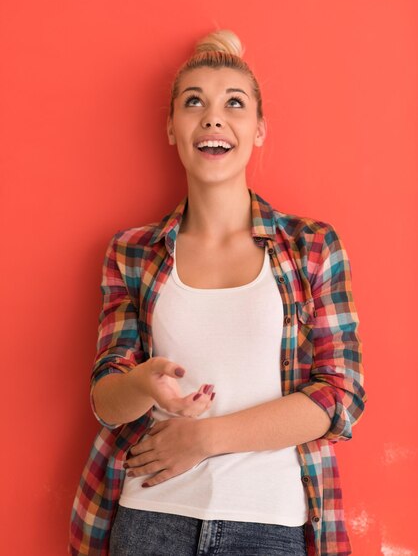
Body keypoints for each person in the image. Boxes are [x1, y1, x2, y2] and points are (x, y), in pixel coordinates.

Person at [69, 30, 366, 556]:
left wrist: (206, 438)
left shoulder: (312, 246)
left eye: (234, 102)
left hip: (270, 525)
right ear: (171, 127)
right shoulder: (131, 252)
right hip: (150, 519)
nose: (213, 117)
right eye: (193, 103)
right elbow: (106, 401)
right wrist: (141, 382)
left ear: (258, 129)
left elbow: (340, 398)